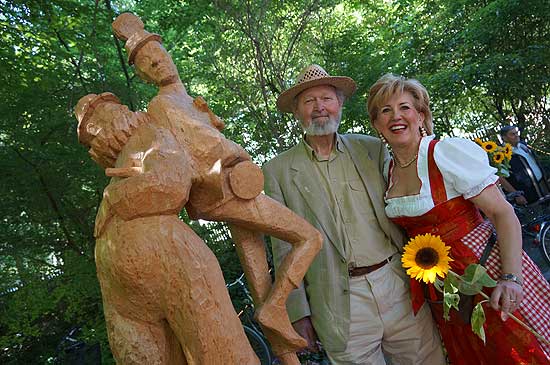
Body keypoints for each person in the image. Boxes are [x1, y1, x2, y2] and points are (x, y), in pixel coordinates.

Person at [110, 13, 322, 361]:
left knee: (261, 286)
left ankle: (282, 341)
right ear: (143, 75)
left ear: (169, 54)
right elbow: (205, 146)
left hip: (233, 187)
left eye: (159, 56)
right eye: (148, 64)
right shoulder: (162, 105)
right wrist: (238, 151)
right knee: (309, 237)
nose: (157, 64)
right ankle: (278, 306)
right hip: (225, 189)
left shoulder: (185, 99)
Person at [264, 64, 445, 364]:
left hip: (396, 282)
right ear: (297, 111)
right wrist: (298, 311)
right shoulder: (277, 172)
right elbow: (283, 248)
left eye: (327, 98)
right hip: (336, 301)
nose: (319, 107)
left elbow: (407, 202)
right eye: (309, 101)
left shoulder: (372, 149)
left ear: (340, 104)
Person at [367, 73, 550, 364]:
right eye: (385, 111)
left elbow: (503, 214)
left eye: (404, 107)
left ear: (420, 115)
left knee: (517, 352)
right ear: (376, 124)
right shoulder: (388, 171)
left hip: (488, 272)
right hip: (443, 290)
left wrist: (511, 278)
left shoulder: (443, 153)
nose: (395, 117)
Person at [74, 92, 259, 364]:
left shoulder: (151, 135)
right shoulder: (117, 169)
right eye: (89, 134)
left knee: (218, 352)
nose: (96, 135)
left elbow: (170, 184)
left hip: (179, 267)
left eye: (99, 119)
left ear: (122, 111)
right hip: (123, 298)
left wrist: (114, 198)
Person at [499, 125, 549, 205]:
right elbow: (501, 178)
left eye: (516, 133)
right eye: (512, 134)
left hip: (542, 185)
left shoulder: (522, 146)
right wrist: (516, 194)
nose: (516, 135)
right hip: (526, 194)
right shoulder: (502, 154)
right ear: (504, 137)